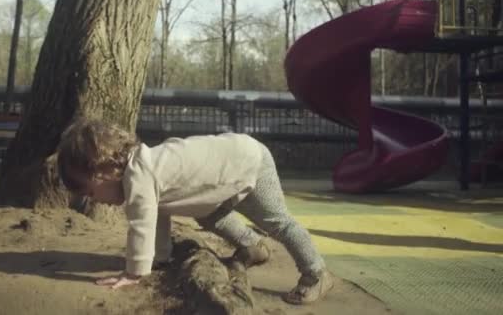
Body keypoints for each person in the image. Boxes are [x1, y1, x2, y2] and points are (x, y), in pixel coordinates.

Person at [56, 117, 333, 304]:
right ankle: (252, 246)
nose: (95, 201)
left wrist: (134, 273)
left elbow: (142, 224)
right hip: (224, 175)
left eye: (91, 192)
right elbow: (158, 216)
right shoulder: (145, 171)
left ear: (104, 169)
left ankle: (316, 273)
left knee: (277, 222)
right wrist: (159, 258)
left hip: (249, 162)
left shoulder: (139, 176)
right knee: (210, 216)